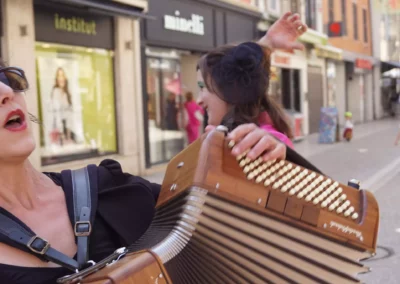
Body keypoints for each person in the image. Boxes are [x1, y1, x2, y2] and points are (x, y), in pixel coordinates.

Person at [0, 13, 321, 284]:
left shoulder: (106, 188)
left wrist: (275, 163)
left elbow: (245, 228)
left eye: (6, 77)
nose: (5, 91)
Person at [196, 12, 306, 149]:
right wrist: (267, 43)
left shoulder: (262, 143)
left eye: (202, 87)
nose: (198, 100)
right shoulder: (224, 134)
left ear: (230, 89)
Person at [50, 67, 75, 145]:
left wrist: (69, 135)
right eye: (59, 76)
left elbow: (70, 114)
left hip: (69, 133)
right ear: (57, 78)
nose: (61, 78)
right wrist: (62, 135)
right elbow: (57, 114)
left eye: (62, 75)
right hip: (60, 134)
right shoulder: (55, 91)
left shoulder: (67, 92)